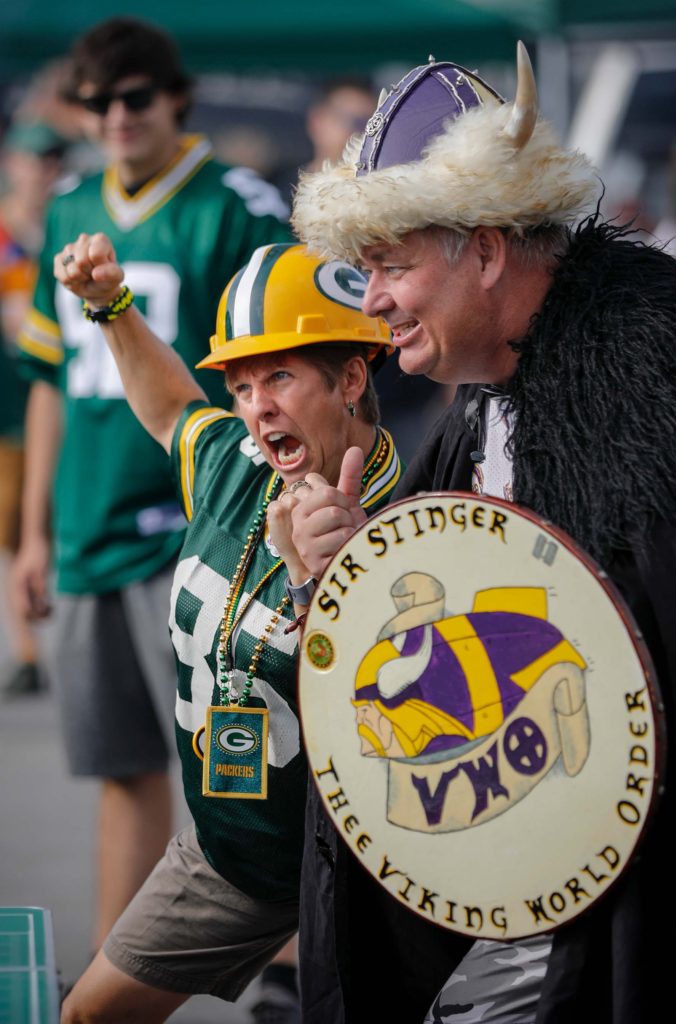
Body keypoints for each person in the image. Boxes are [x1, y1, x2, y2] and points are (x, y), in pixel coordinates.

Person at [287, 43, 676, 1024]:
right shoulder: (487, 400)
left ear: (487, 246)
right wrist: (337, 573)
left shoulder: (657, 393)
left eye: (389, 266)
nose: (372, 301)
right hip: (521, 885)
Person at [52, 235, 401, 1023]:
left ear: (350, 377)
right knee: (86, 1015)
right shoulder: (233, 460)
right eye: (241, 385)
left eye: (278, 375)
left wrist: (326, 586)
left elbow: (403, 725)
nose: (256, 406)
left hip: (359, 876)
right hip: (232, 852)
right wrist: (109, 306)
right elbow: (173, 405)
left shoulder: (409, 518)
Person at [13, 16, 291, 964]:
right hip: (90, 529)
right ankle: (113, 973)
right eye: (97, 102)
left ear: (175, 95)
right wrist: (35, 534)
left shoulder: (238, 204)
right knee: (121, 770)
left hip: (202, 531)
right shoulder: (69, 207)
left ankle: (295, 972)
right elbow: (49, 382)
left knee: (249, 773)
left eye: (134, 97)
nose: (116, 117)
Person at [0, 120, 68, 697]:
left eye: (52, 159)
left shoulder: (68, 229)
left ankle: (63, 637)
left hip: (63, 400)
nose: (42, 169)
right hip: (9, 404)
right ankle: (27, 648)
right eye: (33, 158)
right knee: (13, 524)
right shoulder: (3, 233)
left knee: (59, 520)